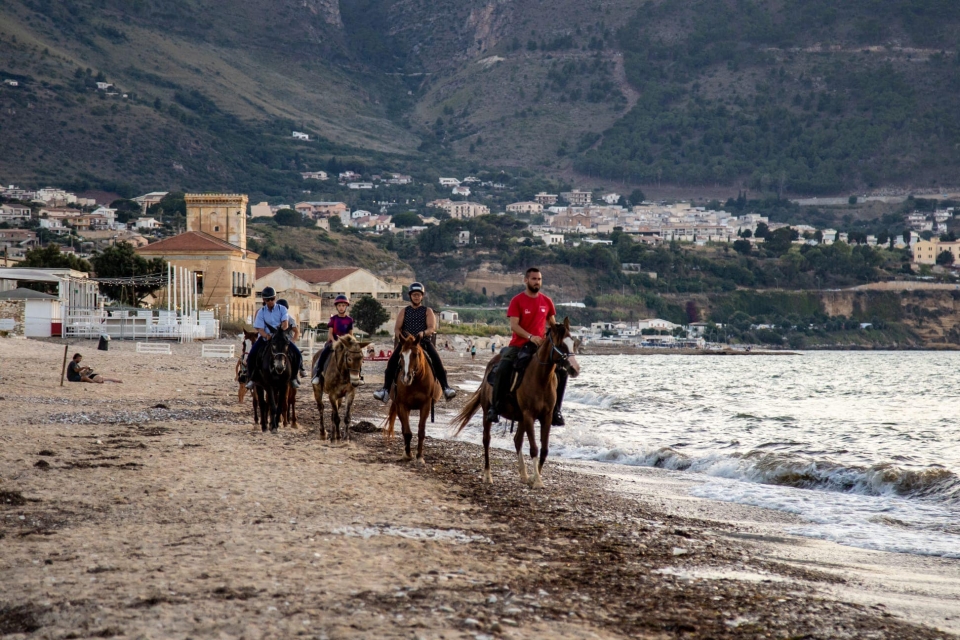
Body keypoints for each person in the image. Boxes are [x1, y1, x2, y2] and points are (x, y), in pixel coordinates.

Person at [486, 267, 568, 426]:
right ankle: (495, 408)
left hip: (540, 347)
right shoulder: (517, 300)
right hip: (519, 345)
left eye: (539, 279)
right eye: (534, 279)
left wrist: (562, 332)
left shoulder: (547, 301)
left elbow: (552, 324)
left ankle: (556, 410)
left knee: (562, 372)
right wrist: (530, 337)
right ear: (526, 280)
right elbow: (514, 326)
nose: (537, 282)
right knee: (503, 367)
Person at [373, 282, 457, 402]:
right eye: (414, 295)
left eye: (418, 295)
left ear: (422, 296)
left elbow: (431, 327)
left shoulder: (427, 311)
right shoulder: (404, 311)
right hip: (407, 344)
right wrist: (402, 338)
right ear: (410, 296)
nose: (416, 297)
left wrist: (423, 333)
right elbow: (397, 328)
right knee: (391, 362)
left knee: (437, 361)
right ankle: (385, 390)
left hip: (423, 342)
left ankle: (446, 388)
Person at [245, 286, 298, 389]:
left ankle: (294, 377)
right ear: (264, 300)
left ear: (275, 298)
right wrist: (266, 335)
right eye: (268, 300)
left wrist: (278, 333)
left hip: (280, 338)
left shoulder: (282, 309)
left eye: (272, 299)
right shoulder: (261, 312)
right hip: (266, 338)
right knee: (251, 355)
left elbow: (285, 324)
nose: (270, 301)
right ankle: (252, 378)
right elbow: (259, 328)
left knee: (297, 354)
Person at [311, 294, 355, 386]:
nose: (341, 307)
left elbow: (350, 334)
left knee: (356, 355)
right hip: (333, 342)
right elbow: (330, 333)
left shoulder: (349, 320)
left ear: (346, 306)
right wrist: (334, 342)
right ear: (336, 307)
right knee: (324, 353)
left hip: (345, 344)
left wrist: (350, 343)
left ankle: (358, 375)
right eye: (339, 305)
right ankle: (318, 374)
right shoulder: (333, 319)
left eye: (343, 305)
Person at [276, 298, 307, 380]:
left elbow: (296, 332)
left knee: (297, 354)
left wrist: (292, 341)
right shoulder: (274, 318)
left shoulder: (290, 319)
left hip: (287, 341)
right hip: (277, 341)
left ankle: (300, 368)